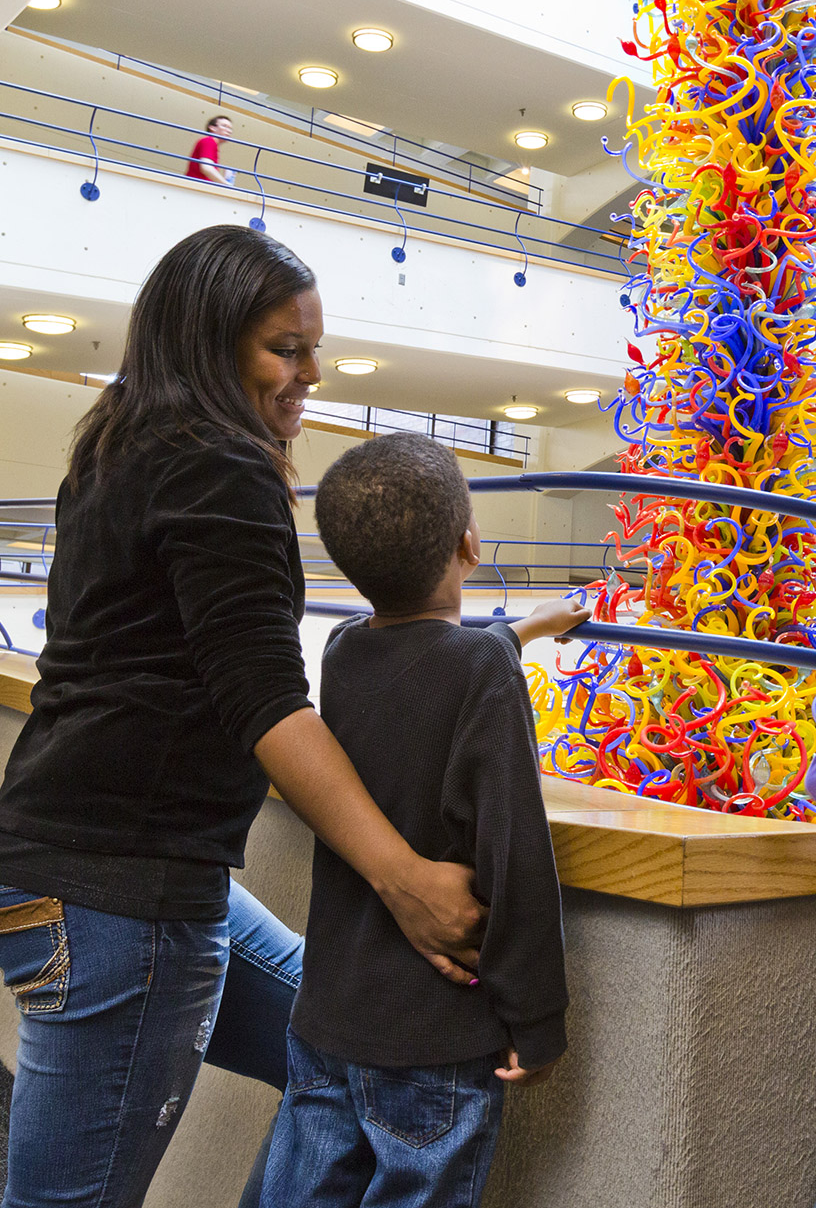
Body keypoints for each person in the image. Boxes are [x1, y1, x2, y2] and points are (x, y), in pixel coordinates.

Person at [0, 225, 487, 1208]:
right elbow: (265, 700)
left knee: (342, 1051)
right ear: (208, 342)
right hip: (126, 895)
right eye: (285, 348)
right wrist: (402, 878)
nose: (315, 370)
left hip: (77, 867)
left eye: (313, 345)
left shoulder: (121, 445)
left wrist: (498, 645)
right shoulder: (222, 468)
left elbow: (152, 659)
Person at [260, 432, 591, 1208]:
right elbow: (517, 857)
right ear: (470, 543)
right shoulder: (482, 672)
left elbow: (426, 669)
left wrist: (527, 629)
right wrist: (536, 1020)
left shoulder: (342, 650)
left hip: (327, 1021)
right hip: (434, 1048)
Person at [186, 114, 234, 185]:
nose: (229, 131)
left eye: (230, 128)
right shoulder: (209, 141)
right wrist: (226, 184)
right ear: (212, 128)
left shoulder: (211, 143)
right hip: (196, 185)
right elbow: (206, 168)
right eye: (224, 126)